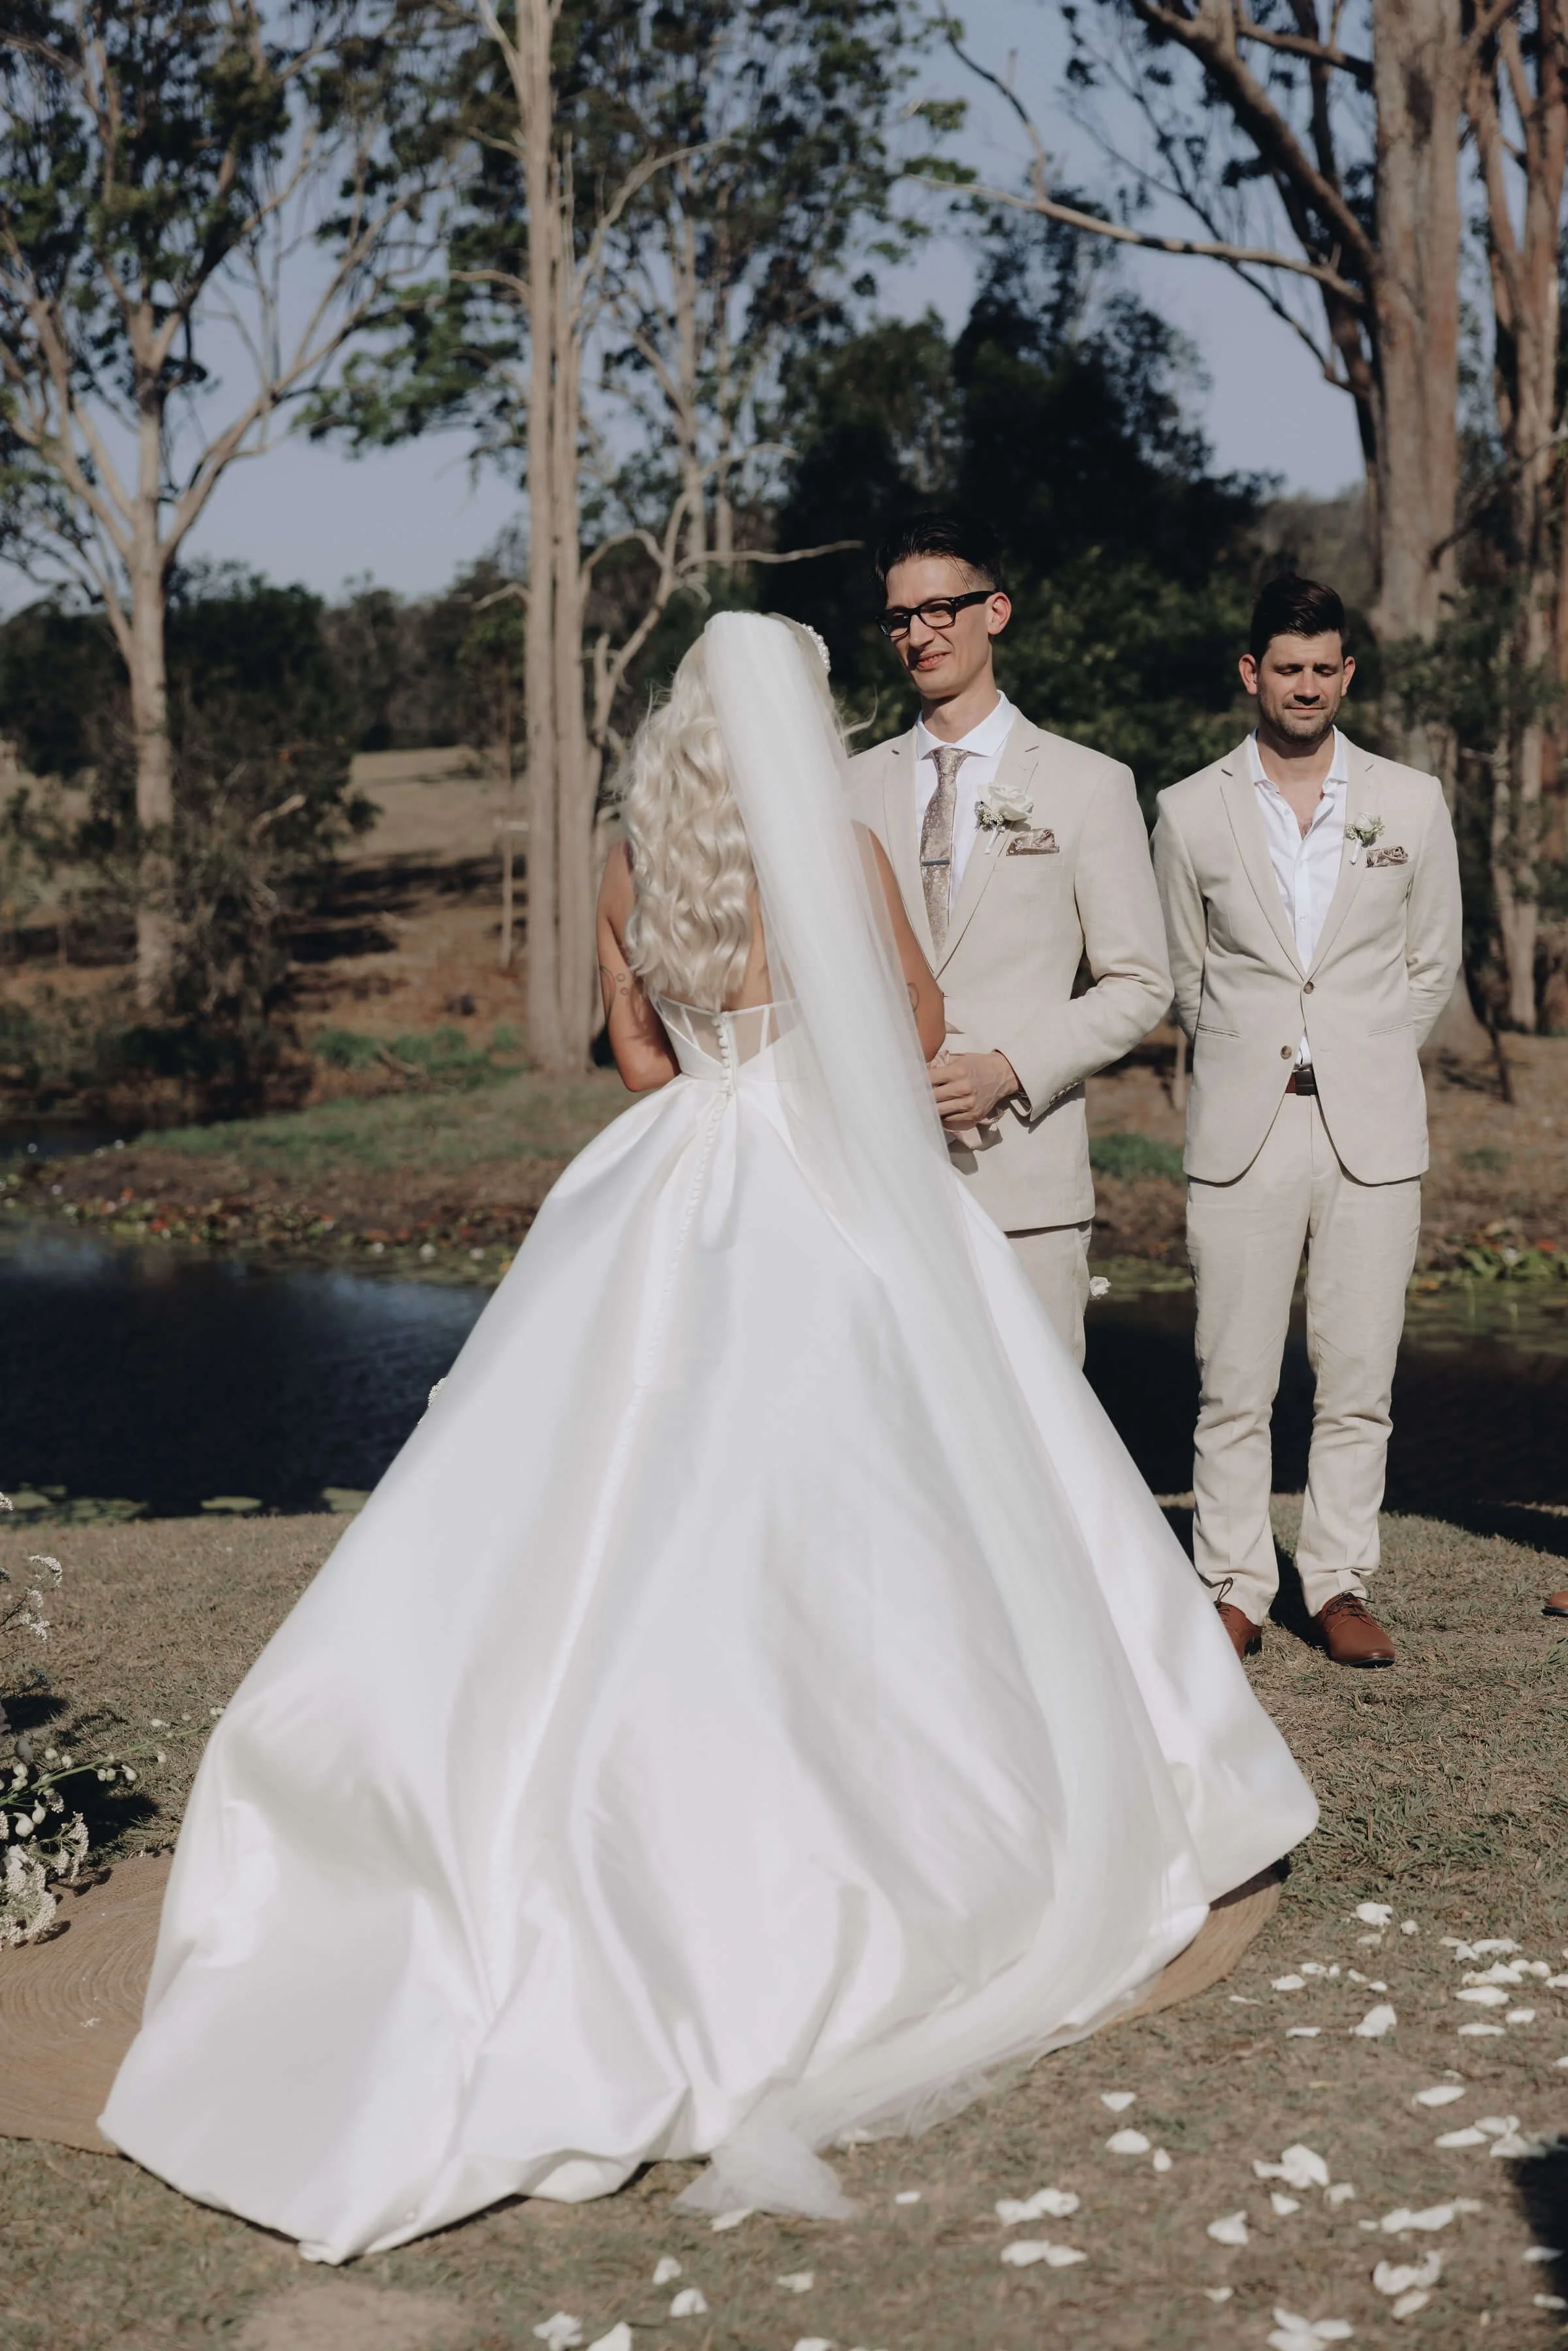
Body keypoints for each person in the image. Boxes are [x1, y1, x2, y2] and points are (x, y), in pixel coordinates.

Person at [101, 614, 1315, 2264]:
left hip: (675, 1173)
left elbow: (637, 1060)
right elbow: (910, 1030)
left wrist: (709, 1041)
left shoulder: (631, 863)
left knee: (612, 1481)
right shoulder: (844, 850)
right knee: (889, 1484)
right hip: (820, 1179)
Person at [1153, 577, 1463, 1669]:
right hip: (1244, 1128)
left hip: (1370, 1128)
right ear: (1253, 673)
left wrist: (1358, 1054)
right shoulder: (1188, 810)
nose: (1306, 686)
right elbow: (1186, 979)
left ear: (1347, 674)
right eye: (1287, 668)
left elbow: (1432, 966)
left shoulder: (1411, 802)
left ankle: (1336, 1583)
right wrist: (1262, 1057)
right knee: (1232, 1379)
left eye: (1325, 668)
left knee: (1358, 1377)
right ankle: (1234, 1584)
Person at [850, 513, 1172, 1367]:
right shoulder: (845, 788)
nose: (919, 635)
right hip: (878, 1182)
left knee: (1040, 1428)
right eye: (899, 618)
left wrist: (1008, 1069)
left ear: (995, 611)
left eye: (940, 609)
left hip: (1027, 1186)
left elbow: (1140, 982)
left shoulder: (1089, 784)